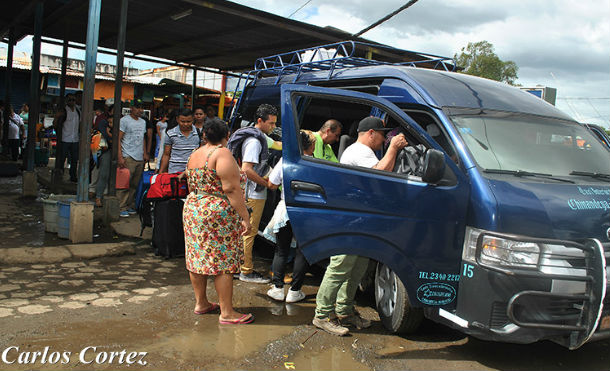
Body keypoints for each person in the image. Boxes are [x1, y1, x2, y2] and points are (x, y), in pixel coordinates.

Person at [312, 116, 408, 336]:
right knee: (340, 267)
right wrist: (393, 148)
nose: (385, 140)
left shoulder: (367, 152)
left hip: (362, 219)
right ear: (371, 133)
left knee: (357, 268)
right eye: (383, 135)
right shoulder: (358, 152)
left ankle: (344, 311)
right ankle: (322, 315)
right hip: (350, 219)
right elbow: (379, 174)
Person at [183, 118, 253, 324]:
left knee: (197, 256)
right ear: (227, 135)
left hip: (193, 207)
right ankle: (227, 312)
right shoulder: (222, 153)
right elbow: (231, 189)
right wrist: (245, 217)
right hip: (215, 212)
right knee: (222, 261)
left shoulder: (194, 154)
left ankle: (201, 303)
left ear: (204, 135)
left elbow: (190, 183)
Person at [228, 103, 278, 284]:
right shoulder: (255, 142)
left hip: (251, 191)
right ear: (260, 121)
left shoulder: (258, 137)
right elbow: (247, 170)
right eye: (271, 124)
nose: (273, 127)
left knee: (242, 231)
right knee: (248, 231)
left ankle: (236, 267)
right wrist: (266, 183)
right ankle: (246, 271)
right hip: (252, 193)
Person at [264, 130, 315, 303]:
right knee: (303, 251)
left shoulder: (285, 161)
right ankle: (295, 291)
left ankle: (278, 289)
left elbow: (271, 184)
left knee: (281, 250)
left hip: (286, 208)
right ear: (309, 146)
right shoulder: (315, 163)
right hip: (307, 212)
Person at [117, 101, 149, 217]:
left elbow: (142, 139)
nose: (140, 110)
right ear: (131, 108)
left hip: (139, 156)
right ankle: (121, 207)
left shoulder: (143, 122)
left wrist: (145, 153)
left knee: (134, 184)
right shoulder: (124, 121)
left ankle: (129, 205)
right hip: (128, 156)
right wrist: (120, 156)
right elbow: (118, 139)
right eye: (138, 107)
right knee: (124, 184)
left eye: (142, 108)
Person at [159, 108, 200, 174]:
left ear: (193, 119)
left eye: (188, 121)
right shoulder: (170, 133)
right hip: (174, 171)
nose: (186, 124)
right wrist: (161, 171)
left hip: (193, 172)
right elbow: (166, 154)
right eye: (183, 121)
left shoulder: (199, 133)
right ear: (177, 119)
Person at [53, 93, 81, 182]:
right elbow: (55, 124)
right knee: (62, 159)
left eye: (73, 100)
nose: (72, 102)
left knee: (74, 160)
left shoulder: (78, 111)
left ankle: (73, 176)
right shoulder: (64, 111)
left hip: (75, 139)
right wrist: (56, 118)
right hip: (65, 139)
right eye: (70, 100)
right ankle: (59, 176)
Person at [94, 106, 114, 207]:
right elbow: (107, 137)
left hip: (116, 151)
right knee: (104, 174)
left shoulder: (121, 123)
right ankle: (98, 197)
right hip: (106, 151)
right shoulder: (103, 122)